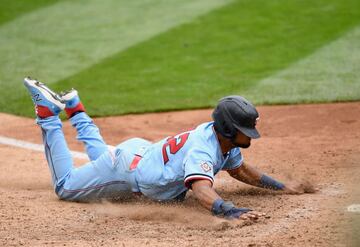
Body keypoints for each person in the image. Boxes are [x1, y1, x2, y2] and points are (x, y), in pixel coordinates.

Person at [23, 77, 306, 220]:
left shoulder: (224, 141)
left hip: (137, 155)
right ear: (230, 129)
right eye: (246, 131)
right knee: (64, 185)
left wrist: (281, 187)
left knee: (104, 159)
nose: (251, 137)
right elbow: (200, 189)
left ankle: (75, 108)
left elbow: (240, 170)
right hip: (127, 170)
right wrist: (228, 210)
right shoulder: (204, 148)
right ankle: (48, 113)